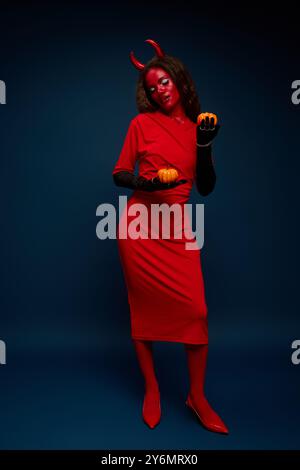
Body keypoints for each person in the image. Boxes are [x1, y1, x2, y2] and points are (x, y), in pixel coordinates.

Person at [112, 39, 228, 434]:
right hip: (140, 226)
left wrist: (205, 145)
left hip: (177, 226)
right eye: (151, 87)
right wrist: (147, 181)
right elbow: (119, 173)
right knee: (142, 311)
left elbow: (206, 187)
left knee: (196, 311)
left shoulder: (199, 127)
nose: (159, 90)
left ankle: (196, 396)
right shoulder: (140, 125)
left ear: (179, 80)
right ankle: (152, 388)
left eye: (164, 81)